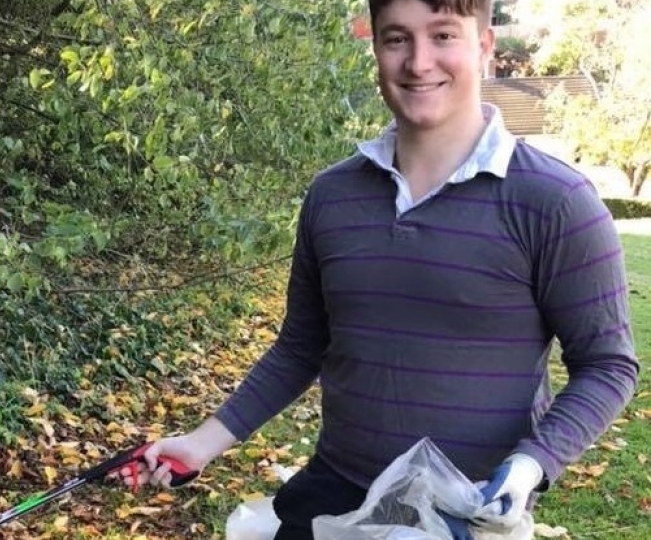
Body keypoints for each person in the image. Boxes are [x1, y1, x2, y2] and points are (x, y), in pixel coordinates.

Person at [118, 0, 639, 538]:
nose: (418, 62)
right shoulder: (332, 196)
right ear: (377, 51)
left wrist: (533, 463)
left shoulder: (556, 202)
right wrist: (201, 444)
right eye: (397, 39)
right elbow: (301, 347)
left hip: (466, 514)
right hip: (332, 496)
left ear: (484, 47)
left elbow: (608, 364)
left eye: (443, 36)